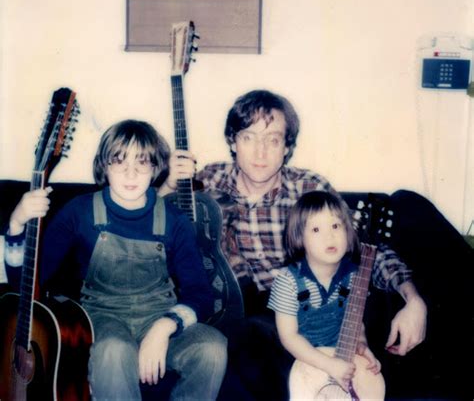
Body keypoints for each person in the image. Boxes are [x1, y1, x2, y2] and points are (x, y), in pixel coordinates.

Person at [160, 89, 427, 400]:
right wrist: (167, 184)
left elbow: (365, 249)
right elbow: (157, 235)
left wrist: (413, 300)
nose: (260, 153)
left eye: (273, 140)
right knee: (235, 342)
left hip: (305, 309)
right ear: (233, 141)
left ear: (287, 147)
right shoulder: (207, 182)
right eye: (249, 138)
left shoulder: (309, 189)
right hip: (244, 315)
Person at [5, 119, 227, 401]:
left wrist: (164, 327)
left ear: (155, 167)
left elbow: (200, 294)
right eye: (119, 161)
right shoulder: (79, 211)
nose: (130, 173)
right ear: (104, 166)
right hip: (102, 315)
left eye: (142, 162)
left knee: (213, 347)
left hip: (159, 311)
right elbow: (26, 288)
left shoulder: (174, 220)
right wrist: (16, 224)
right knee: (113, 350)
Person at [268, 191, 382, 396]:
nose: (329, 236)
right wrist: (329, 365)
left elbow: (356, 321)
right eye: (316, 229)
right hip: (300, 358)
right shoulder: (288, 280)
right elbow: (289, 337)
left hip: (341, 354)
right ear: (299, 238)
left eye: (336, 226)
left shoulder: (354, 277)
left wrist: (361, 343)